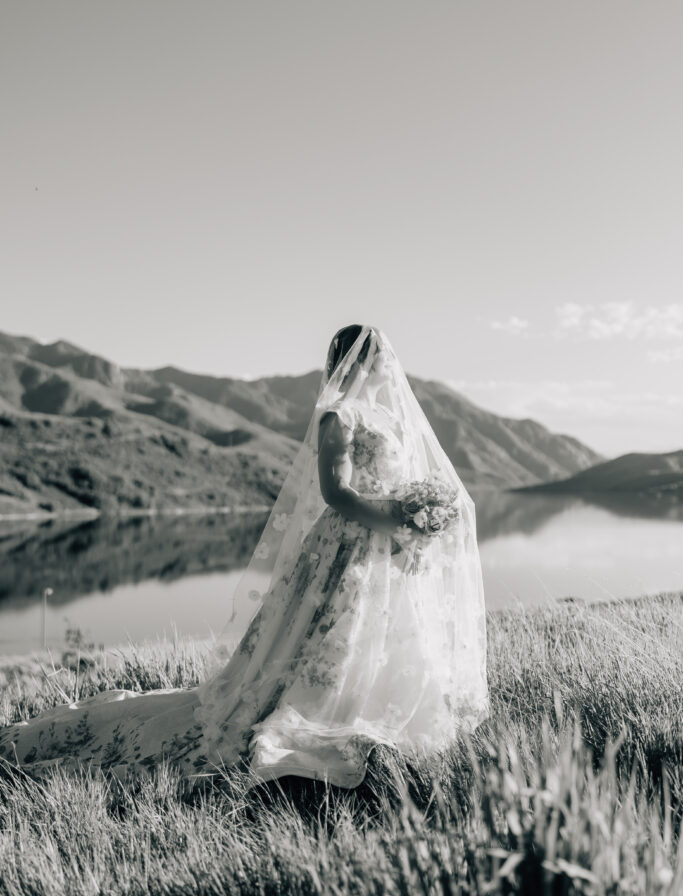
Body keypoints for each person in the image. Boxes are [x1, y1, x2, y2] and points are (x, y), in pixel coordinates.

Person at [0, 325, 489, 788]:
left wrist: (412, 520)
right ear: (361, 361)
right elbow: (336, 492)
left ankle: (375, 710)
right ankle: (314, 714)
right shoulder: (340, 415)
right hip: (346, 544)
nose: (391, 364)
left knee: (384, 635)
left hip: (384, 547)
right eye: (382, 355)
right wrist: (392, 519)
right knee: (334, 631)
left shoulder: (388, 419)